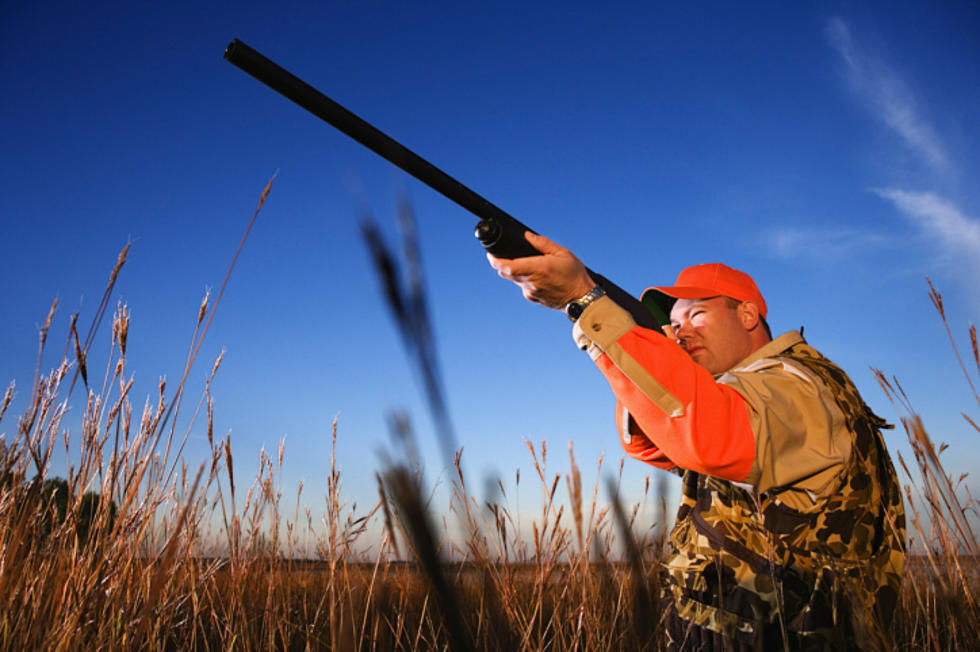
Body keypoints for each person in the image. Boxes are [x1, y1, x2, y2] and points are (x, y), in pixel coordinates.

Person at [488, 232, 906, 650]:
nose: (680, 331)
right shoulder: (740, 390)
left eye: (697, 315)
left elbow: (709, 439)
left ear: (747, 315)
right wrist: (654, 350)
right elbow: (652, 443)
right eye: (674, 324)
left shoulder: (795, 382)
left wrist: (584, 301)